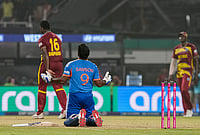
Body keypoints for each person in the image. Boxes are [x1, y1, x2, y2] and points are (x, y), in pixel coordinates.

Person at [41, 44, 112, 127]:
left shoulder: (71, 64)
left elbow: (63, 80)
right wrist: (106, 81)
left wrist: (51, 79)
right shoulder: (93, 66)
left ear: (78, 54)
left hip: (74, 96)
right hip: (88, 96)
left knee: (68, 122)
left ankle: (77, 117)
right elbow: (99, 84)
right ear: (88, 54)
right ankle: (92, 118)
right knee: (89, 117)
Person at [32, 20, 67, 119]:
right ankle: (64, 110)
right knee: (58, 86)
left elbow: (45, 54)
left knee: (42, 87)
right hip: (59, 63)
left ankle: (40, 113)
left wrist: (47, 68)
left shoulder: (42, 39)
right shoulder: (57, 38)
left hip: (48, 64)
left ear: (42, 28)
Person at [168, 32, 199, 117]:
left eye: (183, 36)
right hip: (179, 72)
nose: (181, 38)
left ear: (186, 37)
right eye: (180, 37)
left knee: (185, 89)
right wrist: (170, 74)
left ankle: (189, 109)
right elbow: (173, 62)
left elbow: (196, 60)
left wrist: (197, 73)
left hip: (188, 71)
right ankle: (186, 111)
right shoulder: (176, 48)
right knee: (182, 91)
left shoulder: (192, 47)